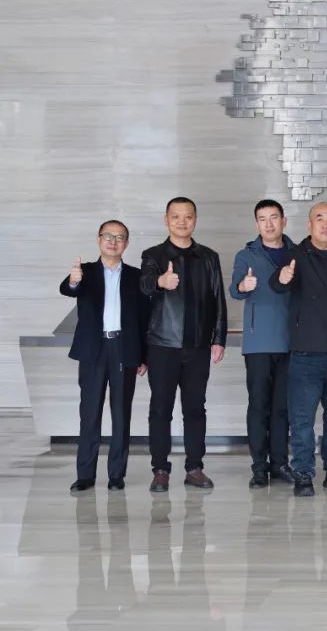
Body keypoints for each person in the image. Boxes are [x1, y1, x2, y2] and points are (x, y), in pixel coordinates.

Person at [270, 202, 327, 497]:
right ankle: (303, 474)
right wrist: (281, 278)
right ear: (309, 225)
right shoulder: (295, 256)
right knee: (302, 419)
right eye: (319, 218)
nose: (325, 224)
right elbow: (278, 283)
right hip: (306, 354)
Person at [140, 197, 227, 492]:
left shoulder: (209, 257)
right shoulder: (153, 255)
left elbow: (218, 300)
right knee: (160, 409)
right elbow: (143, 285)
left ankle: (194, 468)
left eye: (188, 216)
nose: (182, 222)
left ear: (195, 220)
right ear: (166, 220)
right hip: (162, 345)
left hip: (198, 347)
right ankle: (160, 469)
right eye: (175, 216)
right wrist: (160, 282)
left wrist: (218, 339)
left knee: (195, 409)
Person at [62, 221, 149, 492]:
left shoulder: (136, 276)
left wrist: (143, 356)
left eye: (119, 237)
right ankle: (85, 475)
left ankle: (116, 475)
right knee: (89, 414)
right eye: (108, 236)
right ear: (99, 240)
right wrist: (74, 280)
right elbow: (68, 288)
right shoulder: (85, 272)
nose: (113, 241)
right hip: (93, 349)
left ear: (126, 243)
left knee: (121, 415)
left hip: (124, 348)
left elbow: (144, 318)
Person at [229, 199, 297, 488]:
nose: (269, 224)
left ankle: (280, 464)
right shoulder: (246, 255)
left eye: (274, 217)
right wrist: (243, 286)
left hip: (290, 342)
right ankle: (259, 466)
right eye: (262, 219)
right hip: (258, 343)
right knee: (259, 406)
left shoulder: (297, 253)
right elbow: (234, 289)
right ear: (256, 224)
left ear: (283, 221)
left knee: (283, 408)